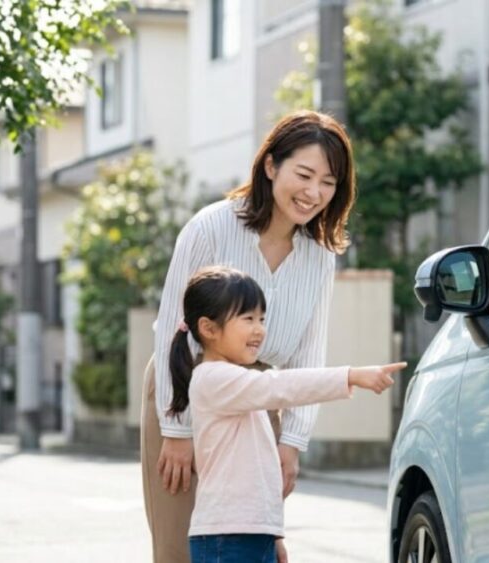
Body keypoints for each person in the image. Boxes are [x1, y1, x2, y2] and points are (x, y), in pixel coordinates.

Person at [141, 110, 357, 562]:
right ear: (271, 166)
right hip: (187, 390)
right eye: (304, 174)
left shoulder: (319, 257)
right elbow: (169, 332)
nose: (314, 192)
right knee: (176, 547)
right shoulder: (211, 226)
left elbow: (307, 357)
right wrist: (176, 428)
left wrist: (292, 442)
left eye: (329, 182)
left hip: (258, 406)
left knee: (248, 548)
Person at [168, 266, 403, 562]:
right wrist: (351, 375)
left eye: (262, 319)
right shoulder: (213, 379)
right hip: (225, 539)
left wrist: (273, 534)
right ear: (209, 328)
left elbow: (258, 474)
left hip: (251, 534)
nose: (259, 329)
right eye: (248, 318)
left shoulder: (239, 389)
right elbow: (280, 385)